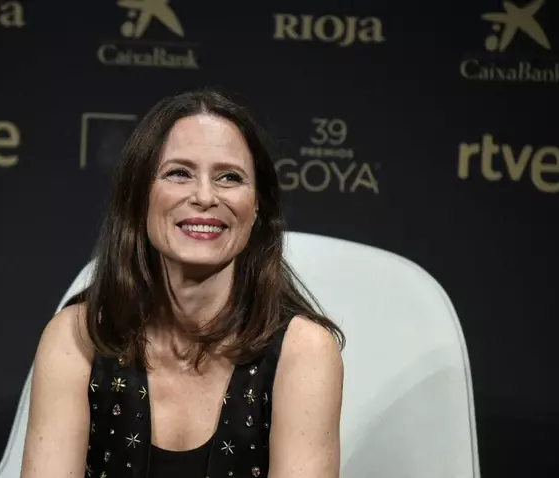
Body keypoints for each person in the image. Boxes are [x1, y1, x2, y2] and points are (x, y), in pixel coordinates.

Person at [20, 88, 345, 478]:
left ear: (257, 205)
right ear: (140, 196)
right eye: (179, 173)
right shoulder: (77, 337)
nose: (205, 196)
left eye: (229, 177)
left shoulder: (303, 351)